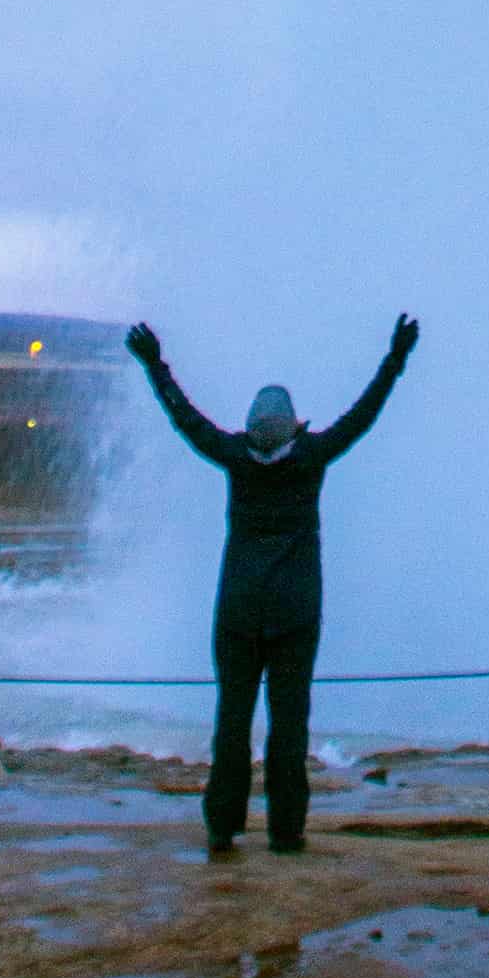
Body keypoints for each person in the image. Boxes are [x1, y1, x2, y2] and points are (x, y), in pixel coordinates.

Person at [126, 311, 419, 857]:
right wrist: (395, 360)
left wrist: (155, 366)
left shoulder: (235, 458)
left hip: (237, 612)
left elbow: (184, 418)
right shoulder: (311, 458)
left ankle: (223, 826)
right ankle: (286, 830)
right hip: (296, 615)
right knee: (289, 728)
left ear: (251, 427)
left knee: (231, 722)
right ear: (292, 427)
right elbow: (363, 414)